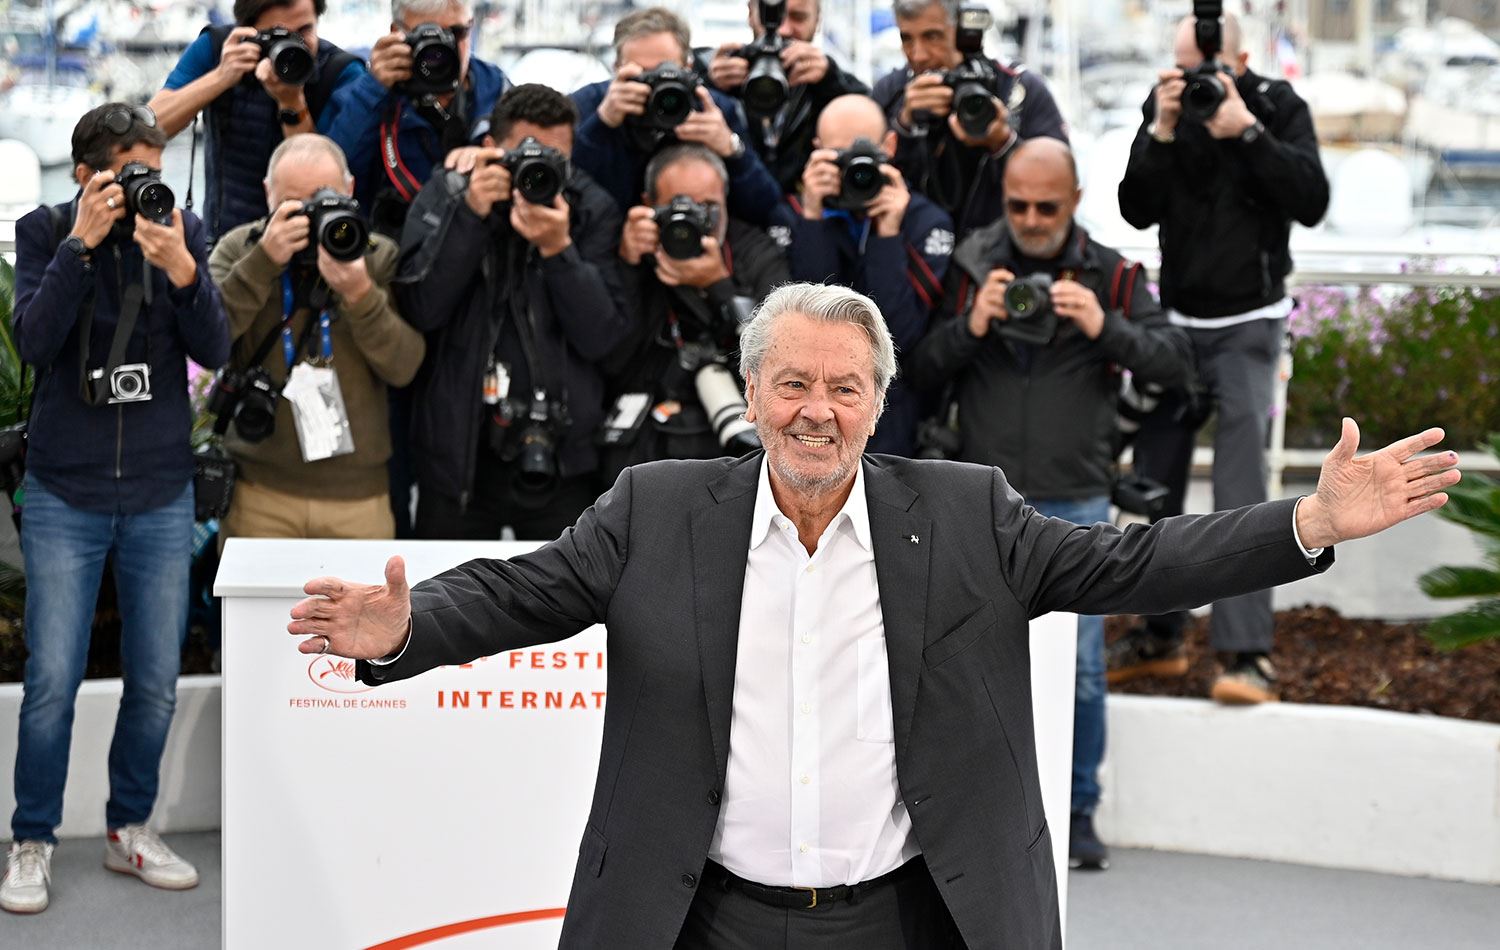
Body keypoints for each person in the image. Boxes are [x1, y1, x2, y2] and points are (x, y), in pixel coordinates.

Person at [286, 278, 1458, 949]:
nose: (817, 409)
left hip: (912, 918)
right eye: (793, 382)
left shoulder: (968, 513)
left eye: (844, 386)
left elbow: (1135, 560)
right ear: (753, 394)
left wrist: (1306, 521)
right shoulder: (657, 508)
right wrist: (406, 629)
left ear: (880, 401)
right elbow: (518, 591)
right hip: (704, 917)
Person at [906, 138, 1193, 871]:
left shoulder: (1111, 274)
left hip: (1076, 494)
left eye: (1047, 207)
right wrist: (972, 326)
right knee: (959, 662)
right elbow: (915, 370)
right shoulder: (971, 266)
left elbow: (1174, 364)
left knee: (1084, 668)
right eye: (1018, 205)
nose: (1031, 220)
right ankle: (967, 815)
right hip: (979, 495)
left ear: (1075, 201)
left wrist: (1104, 326)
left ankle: (1077, 811)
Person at [0, 104, 230, 915]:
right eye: (129, 174)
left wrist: (184, 272)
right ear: (86, 173)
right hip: (66, 490)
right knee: (52, 679)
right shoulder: (44, 230)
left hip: (161, 490)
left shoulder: (180, 230)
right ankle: (32, 838)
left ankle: (129, 826)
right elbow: (34, 341)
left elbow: (216, 349)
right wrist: (80, 247)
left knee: (156, 680)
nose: (143, 189)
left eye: (153, 175)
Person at [1114, 10, 1330, 705]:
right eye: (1180, 68)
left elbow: (1312, 200)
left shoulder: (1276, 106)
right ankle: (1161, 637)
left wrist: (1249, 133)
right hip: (1176, 326)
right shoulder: (1166, 109)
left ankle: (1245, 654)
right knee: (1156, 480)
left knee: (1240, 488)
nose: (1190, 79)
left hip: (1248, 325)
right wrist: (1160, 130)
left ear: (1238, 63)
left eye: (1201, 68)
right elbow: (1135, 208)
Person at [395, 84, 632, 540]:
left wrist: (558, 249)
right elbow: (421, 308)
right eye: (524, 154)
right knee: (449, 585)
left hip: (562, 457)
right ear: (490, 148)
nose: (537, 170)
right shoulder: (449, 192)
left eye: (554, 159)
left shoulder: (591, 208)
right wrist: (470, 214)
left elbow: (604, 337)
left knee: (564, 587)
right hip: (460, 458)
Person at [208, 134, 425, 542]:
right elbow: (208, 340)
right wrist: (263, 262)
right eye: (293, 204)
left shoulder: (376, 255)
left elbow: (404, 367)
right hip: (259, 492)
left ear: (350, 189)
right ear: (268, 194)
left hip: (358, 498)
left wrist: (360, 294)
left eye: (323, 200)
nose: (310, 218)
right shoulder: (241, 248)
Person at [781, 93, 952, 455]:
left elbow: (898, 338)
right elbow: (804, 325)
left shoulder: (924, 221)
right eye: (839, 157)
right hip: (810, 416)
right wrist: (812, 219)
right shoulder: (795, 215)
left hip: (894, 422)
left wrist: (887, 235)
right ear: (817, 151)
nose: (853, 171)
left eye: (864, 155)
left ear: (890, 146)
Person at [604, 143, 787, 476]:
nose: (692, 220)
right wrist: (628, 266)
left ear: (727, 202)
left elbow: (779, 357)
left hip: (734, 444)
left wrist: (718, 286)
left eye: (707, 208)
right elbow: (609, 355)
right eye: (678, 207)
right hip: (644, 443)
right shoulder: (632, 248)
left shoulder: (755, 252)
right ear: (648, 206)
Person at [149, 0, 366, 240]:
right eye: (278, 35)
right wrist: (221, 77)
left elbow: (324, 176)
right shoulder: (219, 49)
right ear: (248, 30)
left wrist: (292, 102)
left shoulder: (340, 72)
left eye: (305, 31)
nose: (294, 46)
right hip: (227, 240)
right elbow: (149, 128)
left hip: (310, 239)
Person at [872, 0, 1068, 239]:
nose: (919, 54)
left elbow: (1060, 183)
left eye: (932, 36)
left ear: (961, 29)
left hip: (999, 249)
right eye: (907, 39)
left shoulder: (1018, 89)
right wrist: (904, 125)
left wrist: (1003, 143)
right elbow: (865, 182)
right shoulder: (891, 92)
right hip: (917, 251)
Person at [570, 7, 783, 226]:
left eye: (667, 72)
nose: (655, 88)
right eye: (643, 74)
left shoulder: (711, 110)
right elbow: (566, 191)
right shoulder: (590, 104)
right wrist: (601, 125)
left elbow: (766, 209)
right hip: (607, 236)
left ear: (688, 67)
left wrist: (731, 149)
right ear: (616, 69)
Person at [323, 0, 510, 237]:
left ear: (471, 27)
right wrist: (373, 90)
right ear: (396, 34)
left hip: (478, 242)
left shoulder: (496, 90)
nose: (441, 51)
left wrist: (494, 156)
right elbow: (331, 176)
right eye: (427, 36)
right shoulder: (370, 94)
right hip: (392, 248)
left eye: (455, 33)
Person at [703, 0, 871, 194]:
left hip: (806, 205)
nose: (783, 30)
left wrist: (830, 83)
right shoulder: (725, 72)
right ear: (750, 13)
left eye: (798, 17)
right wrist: (711, 86)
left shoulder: (832, 82)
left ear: (817, 21)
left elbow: (873, 120)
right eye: (771, 16)